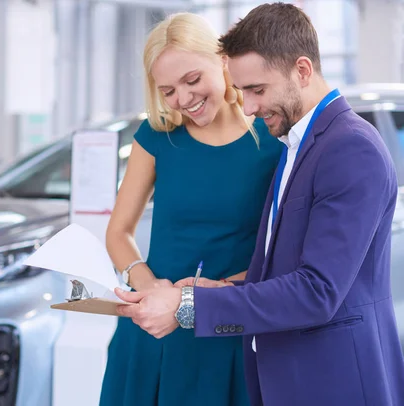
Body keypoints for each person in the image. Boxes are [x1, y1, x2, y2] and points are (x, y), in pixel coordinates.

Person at [115, 3, 404, 406]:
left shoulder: (351, 148)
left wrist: (189, 303)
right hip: (284, 369)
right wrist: (222, 286)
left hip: (332, 378)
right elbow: (280, 266)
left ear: (302, 71)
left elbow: (317, 291)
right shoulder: (295, 146)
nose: (248, 106)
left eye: (257, 90)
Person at [101, 12, 282, 406]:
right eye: (167, 91)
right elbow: (118, 233)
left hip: (228, 334)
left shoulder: (271, 143)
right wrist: (153, 293)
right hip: (151, 335)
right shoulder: (156, 137)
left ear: (222, 60)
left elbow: (279, 257)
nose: (182, 99)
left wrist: (190, 304)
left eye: (192, 80)